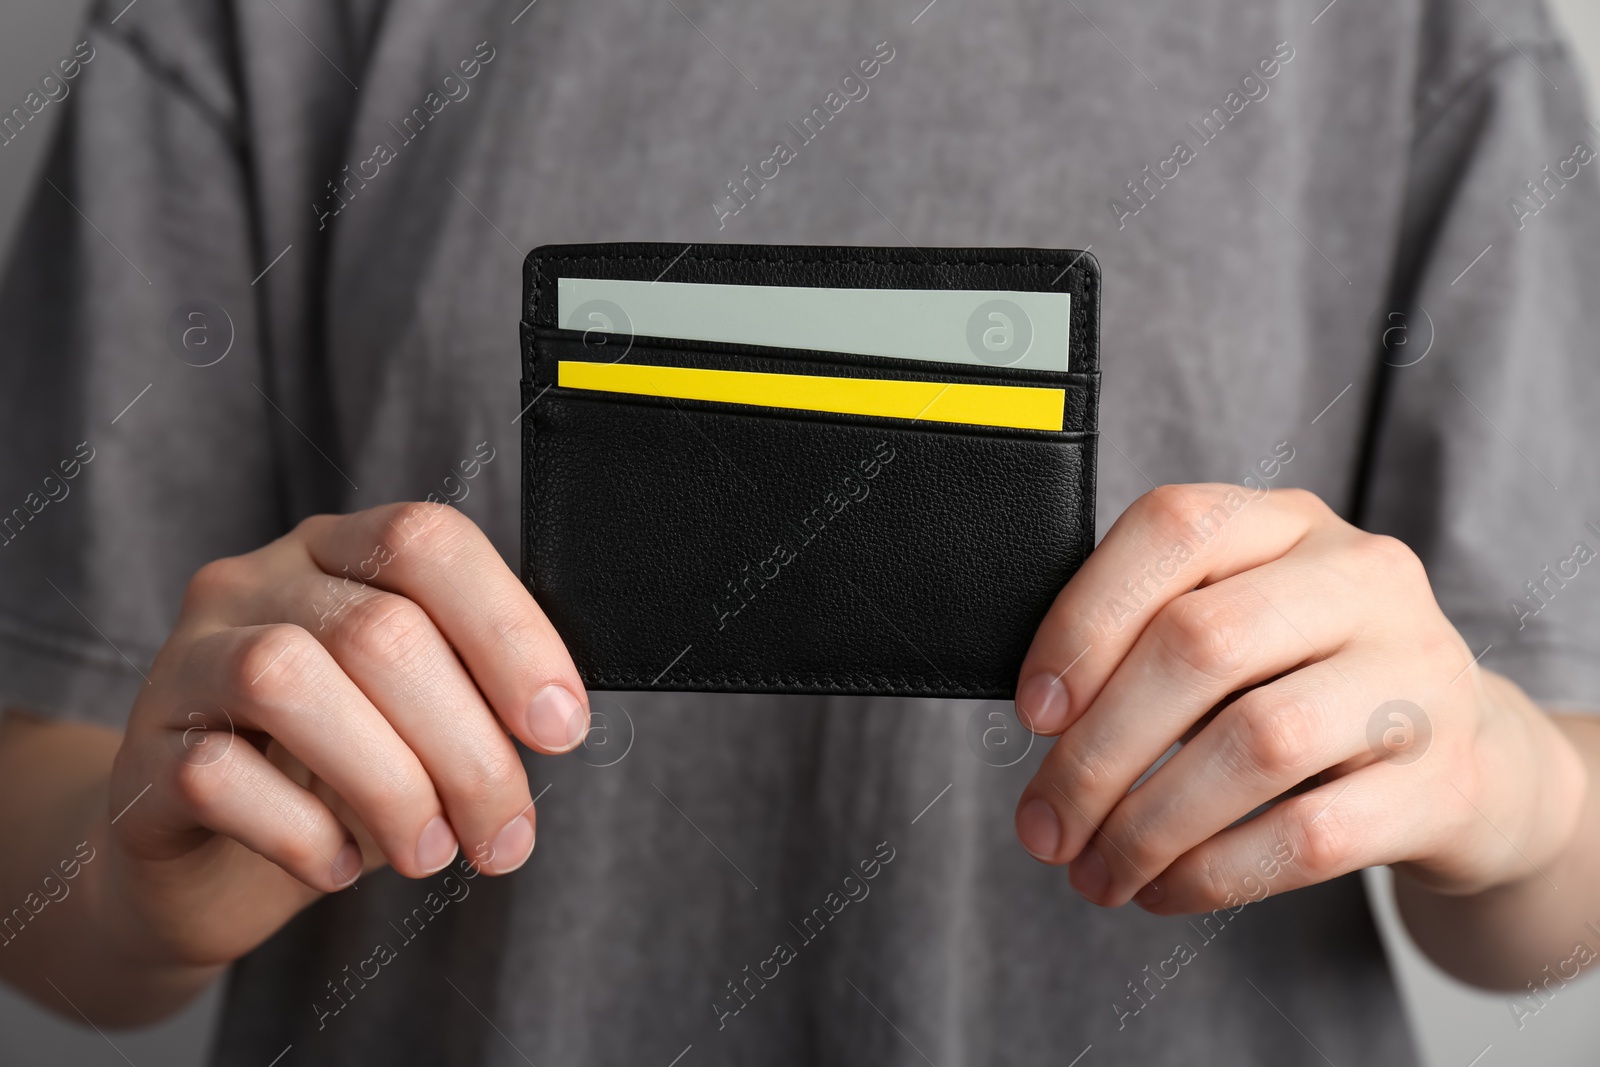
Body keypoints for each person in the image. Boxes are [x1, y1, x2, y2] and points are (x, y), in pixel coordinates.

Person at [1, 0, 1597, 1063]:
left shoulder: (1414, 32)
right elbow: (43, 852)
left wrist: (1506, 782)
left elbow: (1552, 923)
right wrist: (144, 887)